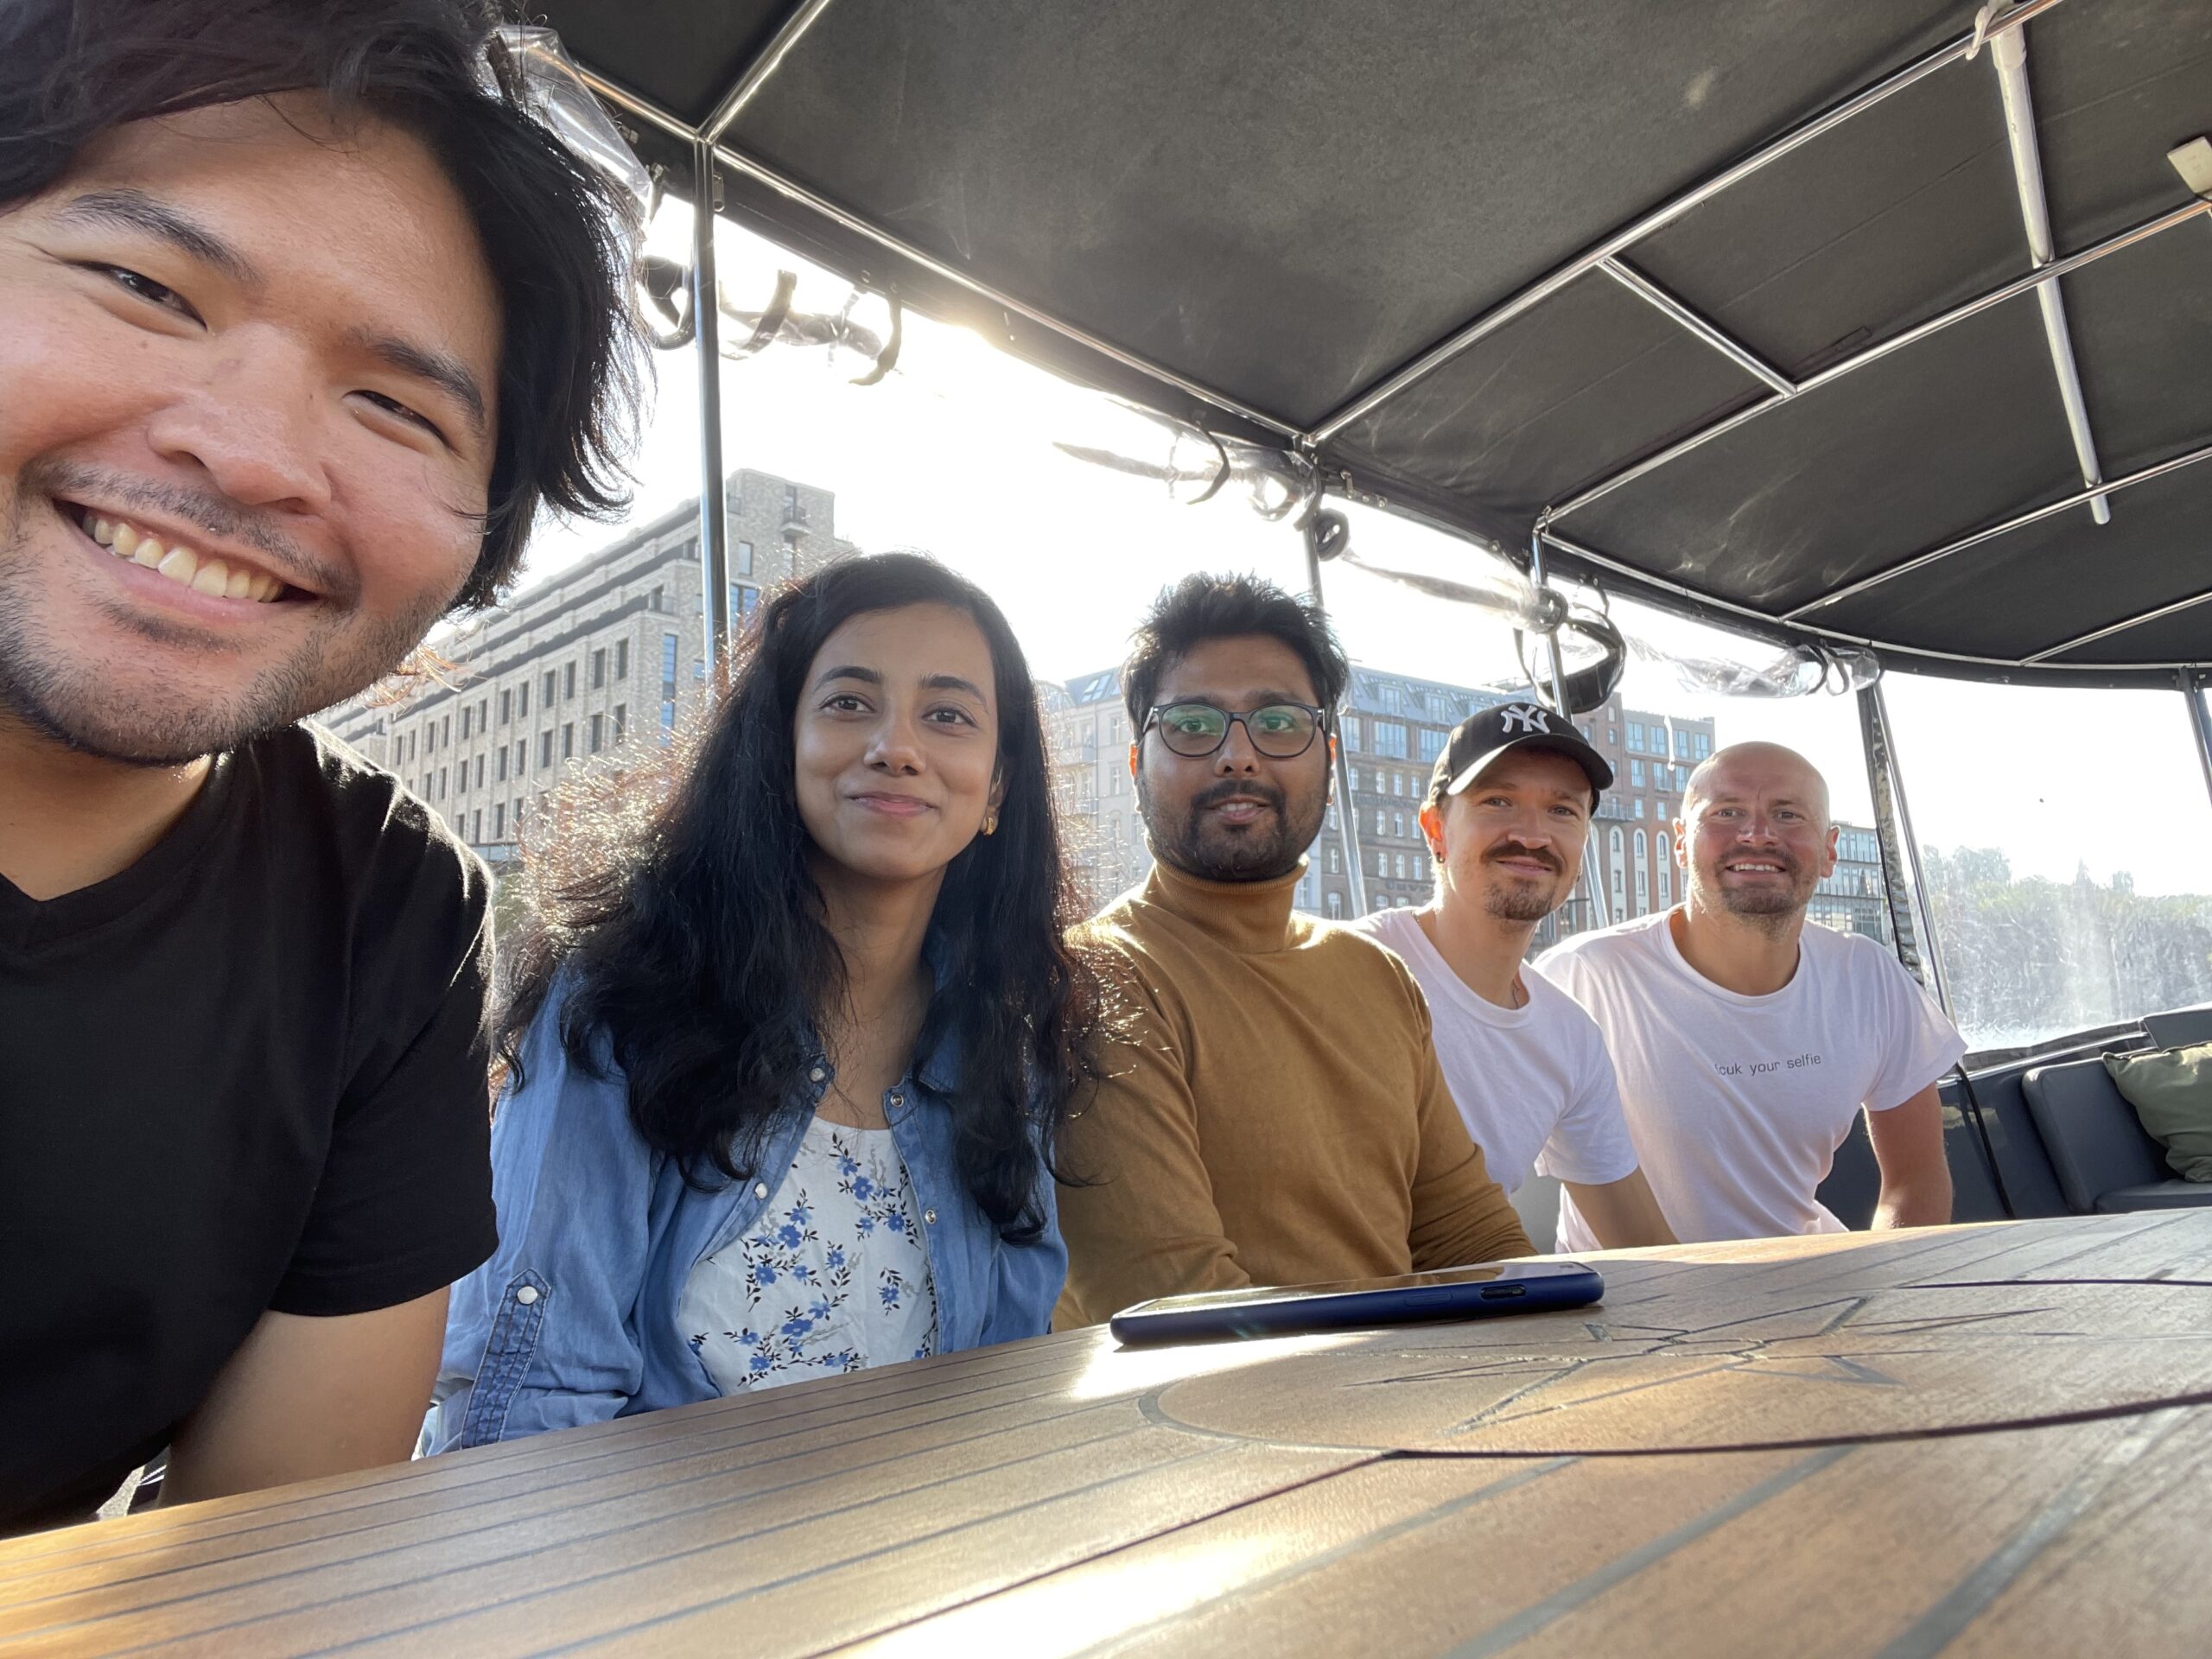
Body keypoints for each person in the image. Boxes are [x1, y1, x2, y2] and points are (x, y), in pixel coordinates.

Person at [0, 0, 643, 1530]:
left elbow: (269, 1573)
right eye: (147, 286)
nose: (255, 455)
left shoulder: (389, 912)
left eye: (397, 407)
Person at [427, 555, 1096, 1446]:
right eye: (849, 703)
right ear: (779, 749)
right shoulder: (625, 999)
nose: (895, 746)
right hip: (626, 1565)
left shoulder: (1007, 1046)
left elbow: (1005, 1390)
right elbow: (527, 1398)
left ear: (997, 787)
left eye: (947, 715)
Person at [1053, 575, 1530, 1329]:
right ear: (1138, 761)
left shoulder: (1376, 974)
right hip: (1211, 1432)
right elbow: (1186, 1314)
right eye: (1192, 723)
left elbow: (1469, 1237)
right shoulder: (1093, 981)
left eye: (1278, 722)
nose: (1238, 756)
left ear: (1328, 760)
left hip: (1423, 1407)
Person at [1539, 741, 1961, 1249]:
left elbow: (1916, 1179)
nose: (1757, 834)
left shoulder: (1866, 975)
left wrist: (1887, 1295)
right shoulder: (1584, 977)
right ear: (1680, 842)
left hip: (1814, 1286)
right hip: (1633, 1303)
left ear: (1829, 851)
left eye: (1787, 814)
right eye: (1727, 812)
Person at [1353, 702, 1675, 1250]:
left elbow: (1643, 1246)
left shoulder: (1570, 1038)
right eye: (1497, 801)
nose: (1532, 835)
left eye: (1562, 811)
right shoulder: (1351, 969)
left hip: (1475, 1314)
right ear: (1435, 829)